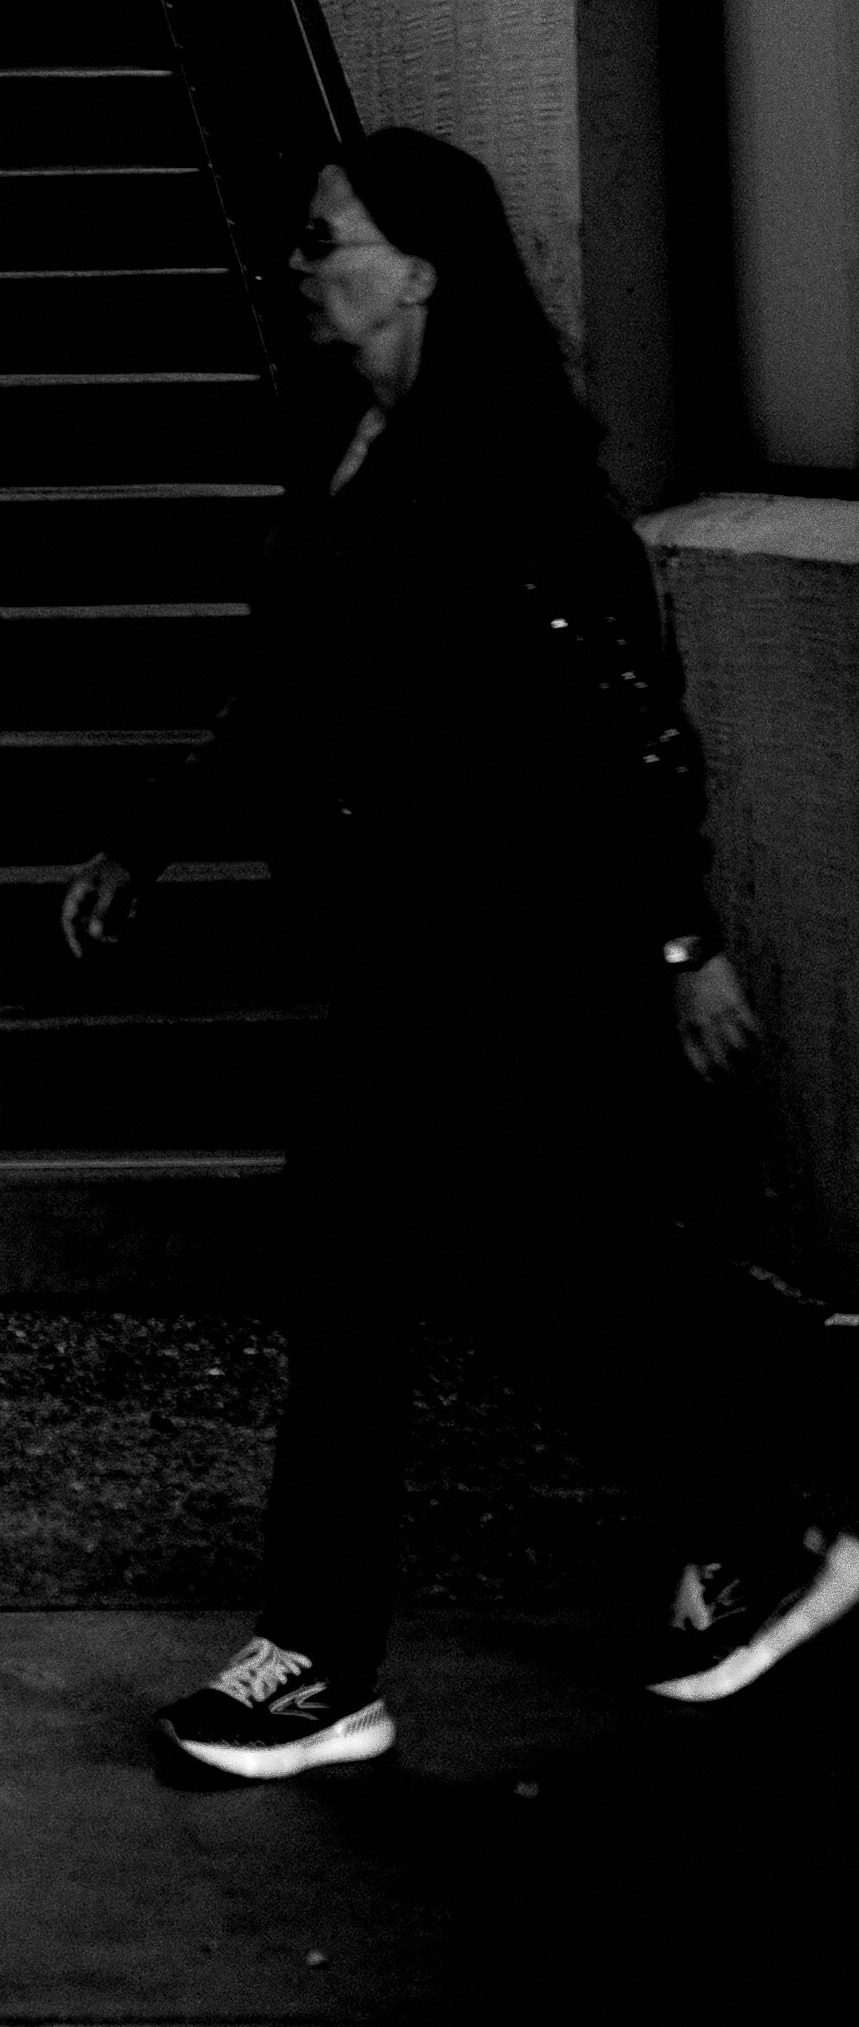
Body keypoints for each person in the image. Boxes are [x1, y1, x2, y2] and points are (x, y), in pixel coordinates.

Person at [64, 124, 854, 1783]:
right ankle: (749, 1524)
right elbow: (283, 695)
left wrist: (679, 937)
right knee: (530, 1269)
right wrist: (153, 834)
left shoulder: (506, 470)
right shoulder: (352, 444)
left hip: (511, 949)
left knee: (434, 1275)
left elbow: (626, 726)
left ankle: (324, 1658)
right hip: (410, 946)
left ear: (418, 268)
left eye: (327, 238)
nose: (300, 265)